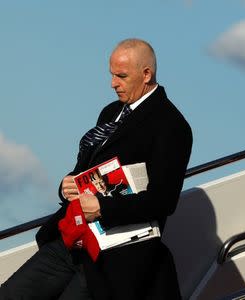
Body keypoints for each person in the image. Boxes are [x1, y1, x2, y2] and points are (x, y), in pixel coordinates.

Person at [0, 38, 192, 299]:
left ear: (146, 74)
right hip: (71, 238)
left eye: (121, 76)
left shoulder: (172, 125)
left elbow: (163, 201)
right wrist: (67, 184)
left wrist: (103, 207)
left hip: (113, 254)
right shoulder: (111, 111)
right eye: (112, 74)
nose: (113, 83)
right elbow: (85, 168)